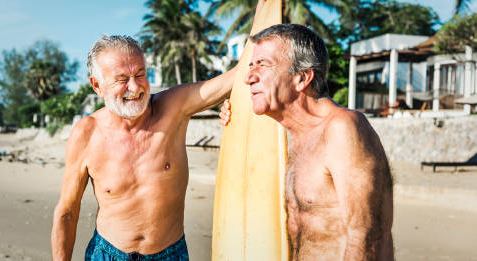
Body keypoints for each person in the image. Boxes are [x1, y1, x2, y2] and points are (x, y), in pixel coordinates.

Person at [49, 34, 240, 260]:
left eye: (140, 74)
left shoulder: (174, 107)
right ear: (97, 85)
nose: (135, 86)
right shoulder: (86, 134)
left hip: (169, 254)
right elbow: (67, 213)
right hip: (108, 254)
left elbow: (235, 78)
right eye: (122, 79)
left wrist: (236, 106)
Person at [219, 24, 394, 260]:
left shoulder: (342, 129)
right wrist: (234, 114)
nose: (249, 78)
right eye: (251, 66)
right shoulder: (290, 136)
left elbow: (367, 240)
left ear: (301, 78)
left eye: (263, 64)